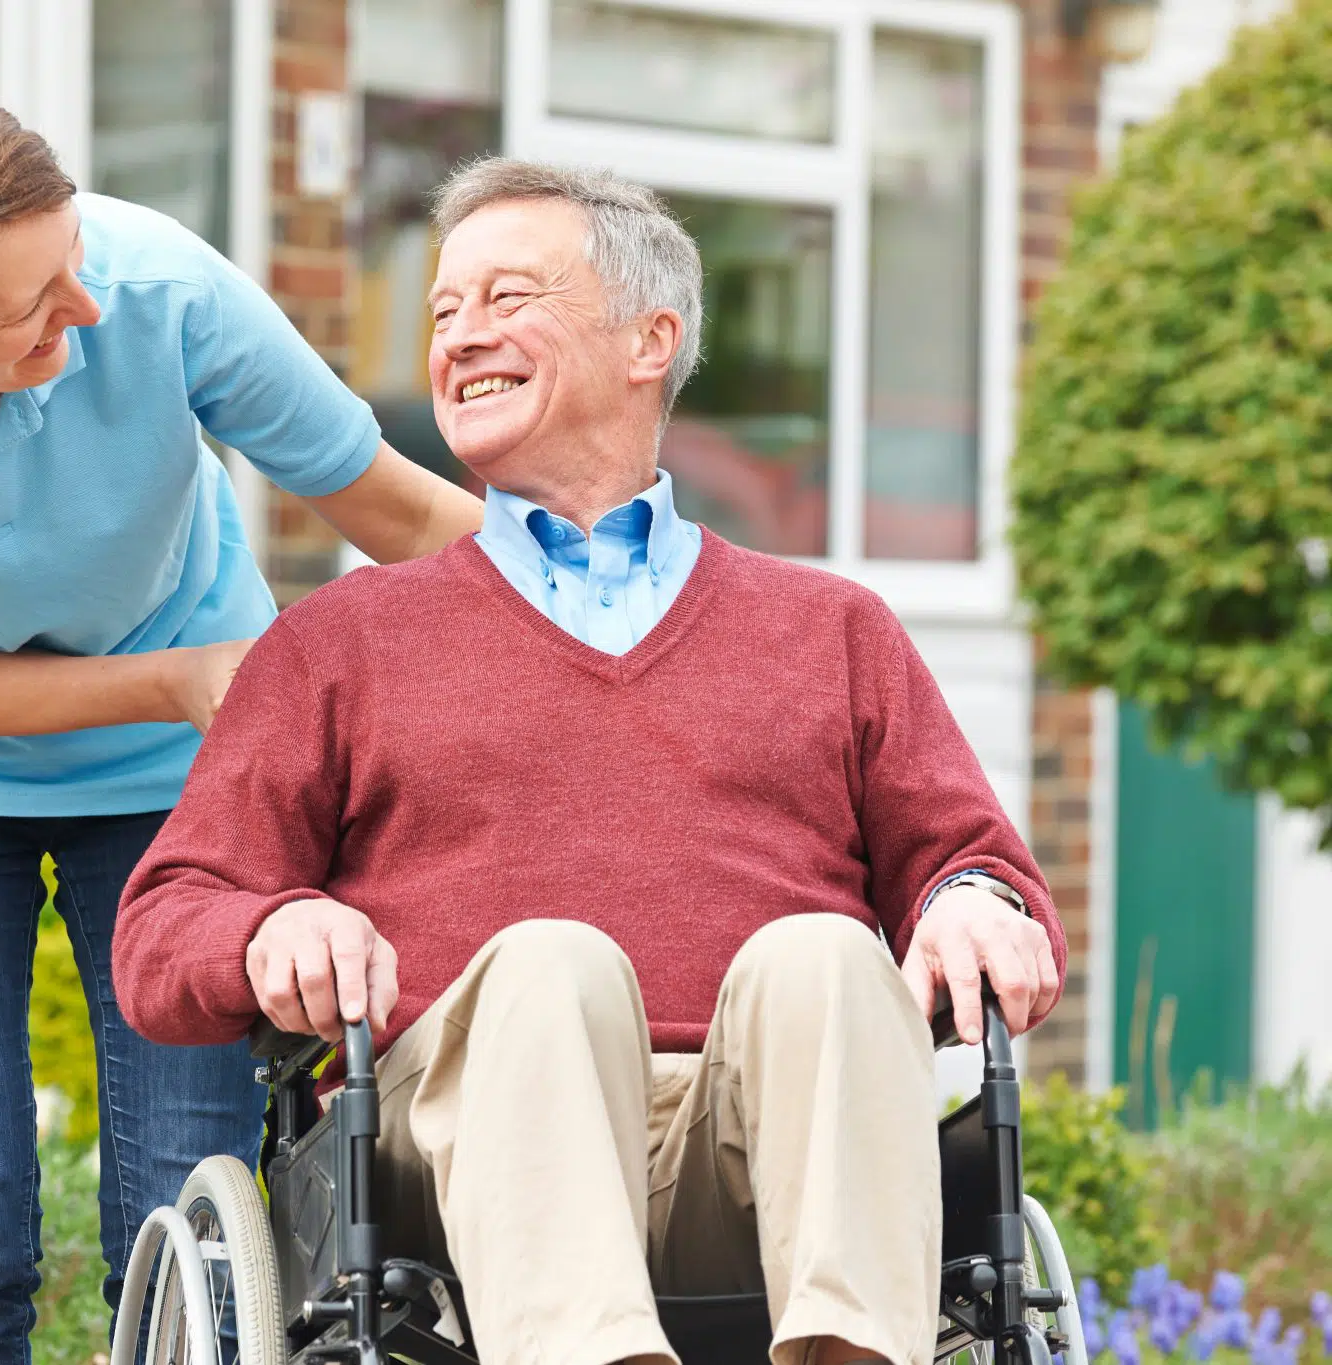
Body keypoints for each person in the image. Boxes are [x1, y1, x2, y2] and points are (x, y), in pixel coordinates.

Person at [114, 159, 1065, 1365]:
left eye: (507, 298)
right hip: (455, 1156)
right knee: (549, 966)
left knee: (826, 955)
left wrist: (973, 905)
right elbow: (161, 926)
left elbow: (974, 861)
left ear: (647, 340)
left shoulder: (830, 632)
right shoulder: (338, 643)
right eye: (443, 312)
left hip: (746, 1143)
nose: (460, 337)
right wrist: (267, 931)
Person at [0, 76, 482, 1365]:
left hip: (176, 775)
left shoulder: (156, 287)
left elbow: (394, 512)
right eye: (32, 304)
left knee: (191, 1217)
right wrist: (178, 680)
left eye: (70, 256)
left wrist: (630, 598)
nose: (87, 305)